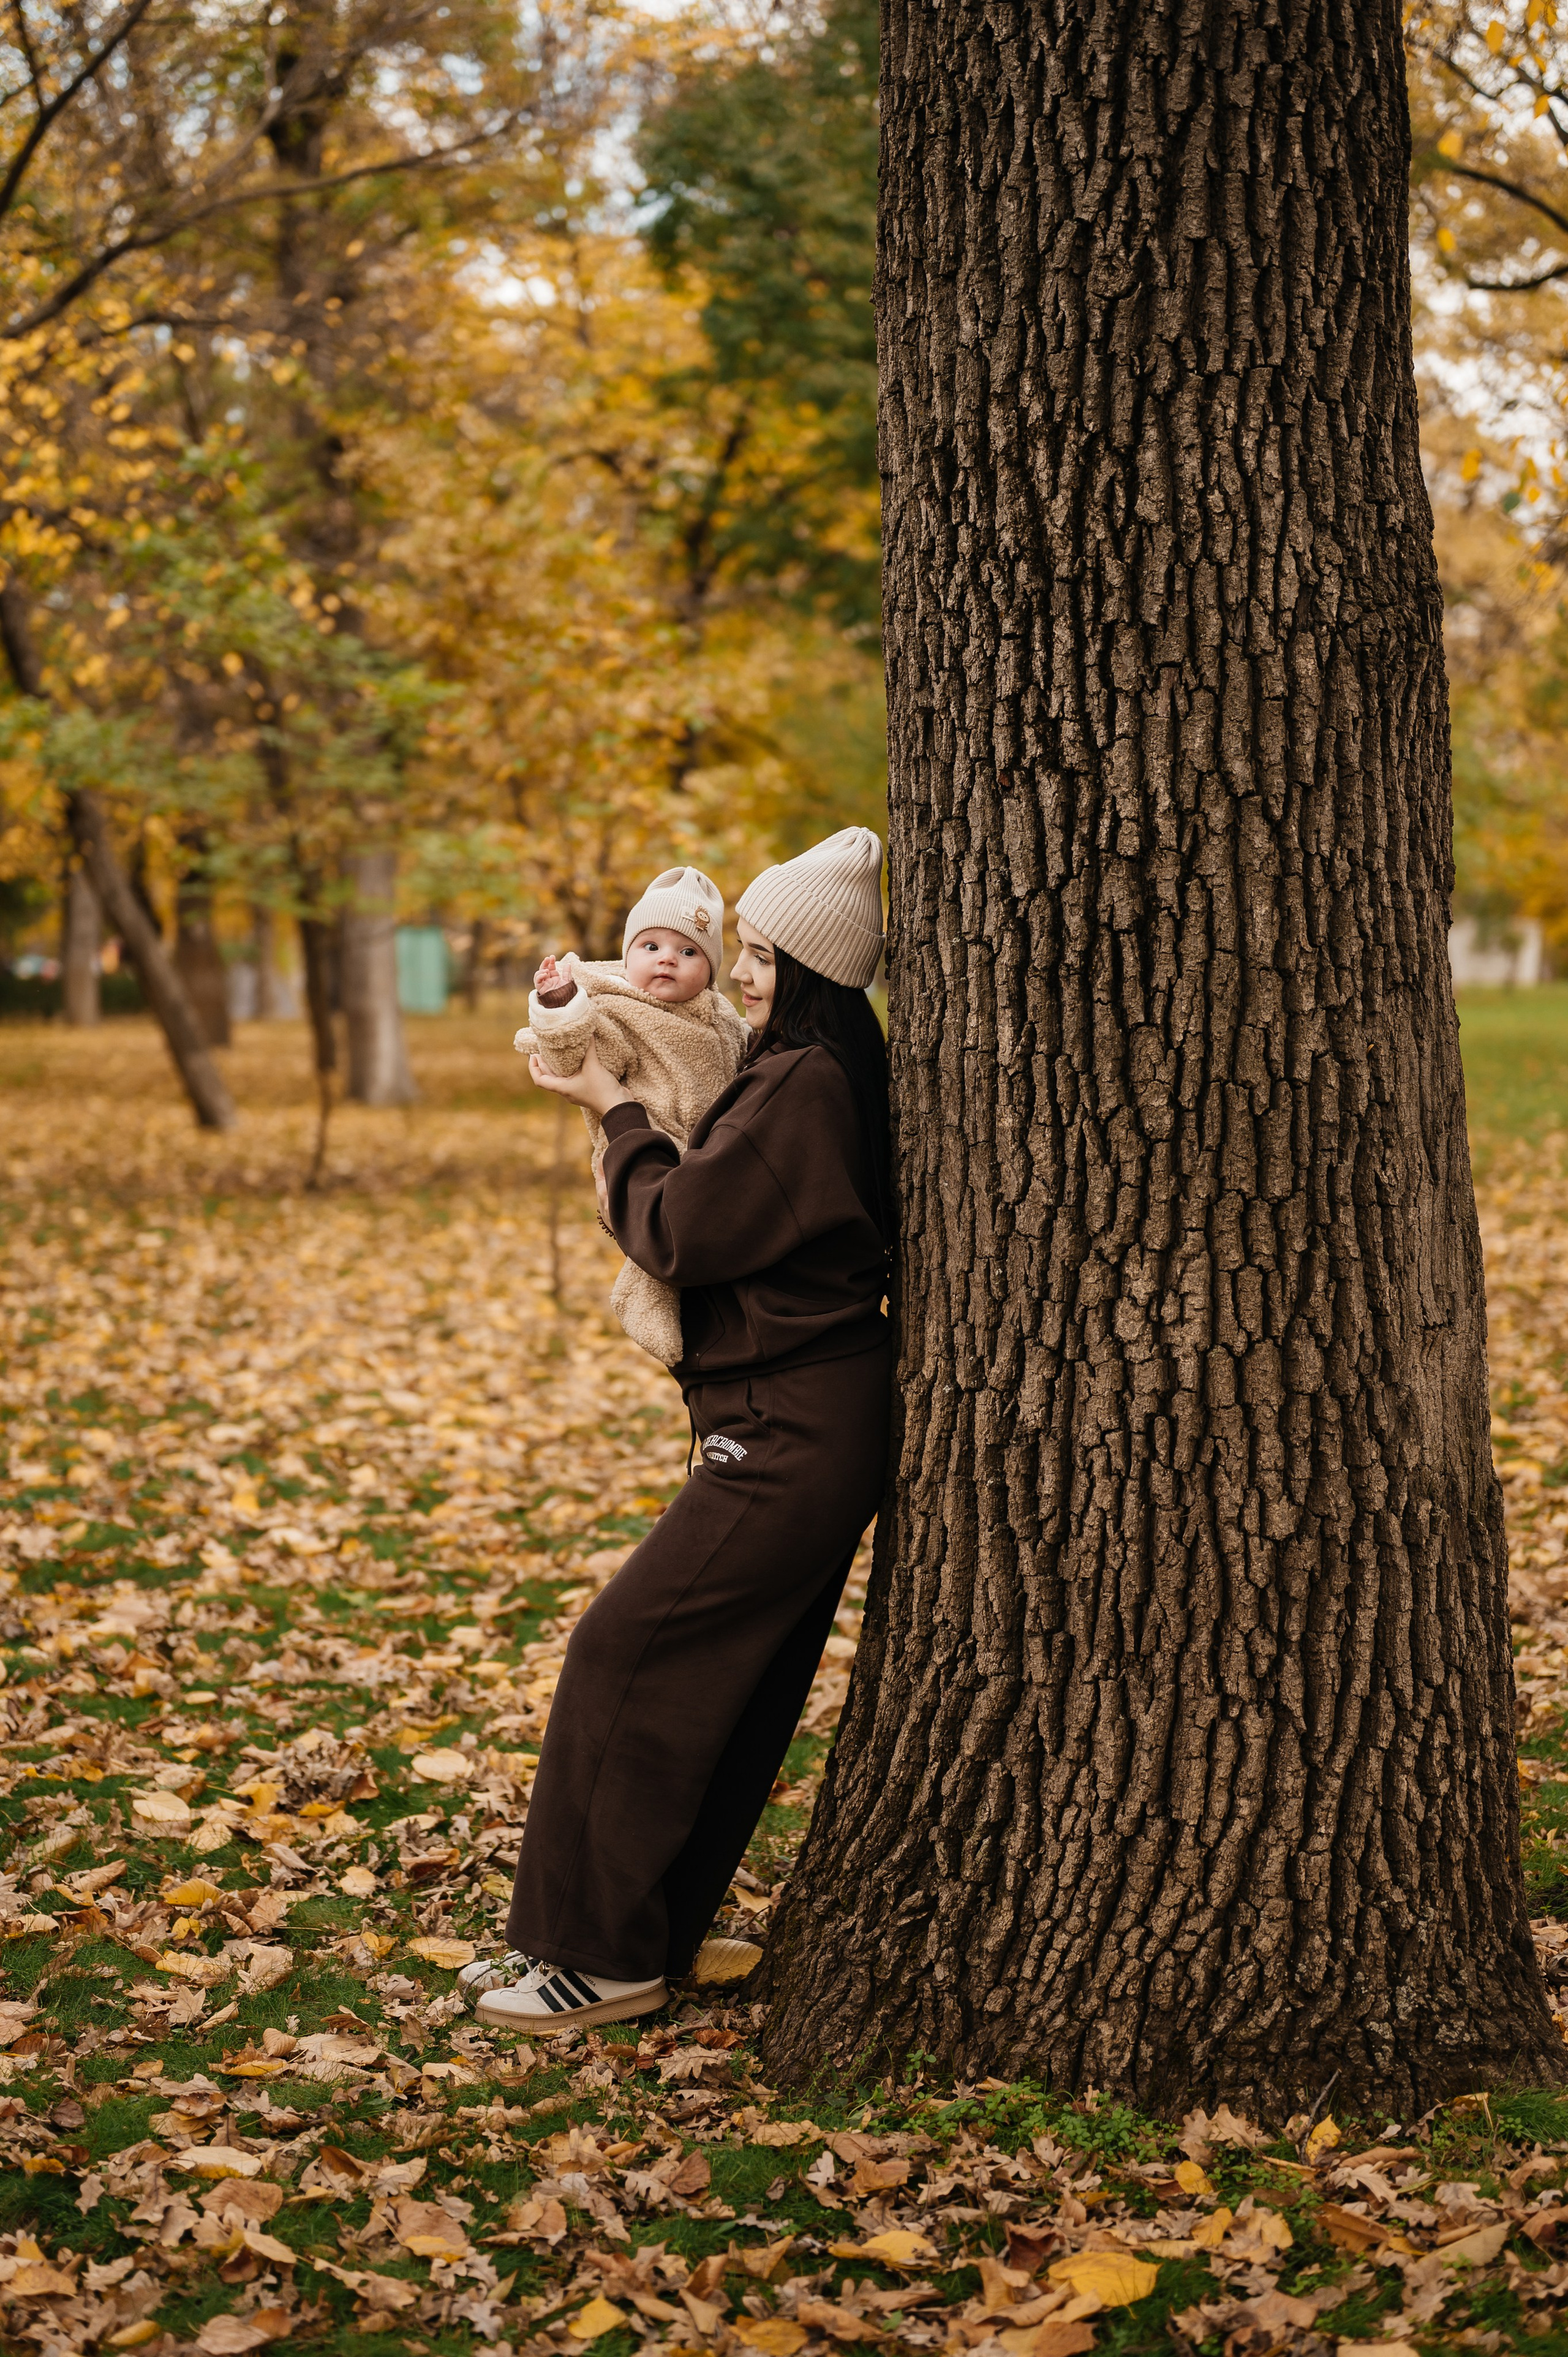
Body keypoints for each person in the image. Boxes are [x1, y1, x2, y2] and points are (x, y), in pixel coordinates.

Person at [461, 826, 892, 2031]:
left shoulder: (803, 1083)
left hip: (789, 1426)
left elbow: (679, 1231)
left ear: (814, 973)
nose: (741, 971)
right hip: (799, 1410)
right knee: (732, 1688)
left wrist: (611, 1109)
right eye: (742, 948)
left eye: (763, 957)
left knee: (623, 1652)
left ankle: (595, 1958)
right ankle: (637, 1936)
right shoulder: (805, 1064)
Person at [514, 867, 750, 1365]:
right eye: (652, 946)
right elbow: (572, 1056)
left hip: (713, 1144)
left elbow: (745, 1049)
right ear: (628, 956)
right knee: (660, 1226)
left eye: (689, 953)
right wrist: (559, 1006)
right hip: (644, 1133)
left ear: (711, 972)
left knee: (693, 1225)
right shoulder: (617, 1011)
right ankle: (646, 1301)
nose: (668, 959)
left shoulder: (722, 1014)